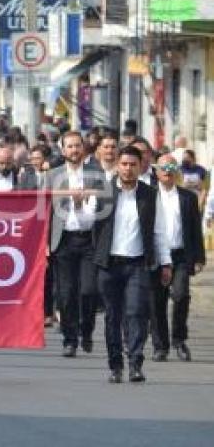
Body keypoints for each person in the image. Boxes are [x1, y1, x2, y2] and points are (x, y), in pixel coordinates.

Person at [93, 145, 165, 384]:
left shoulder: (150, 194)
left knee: (135, 313)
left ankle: (135, 363)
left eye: (133, 164)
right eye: (124, 164)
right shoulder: (103, 192)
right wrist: (80, 202)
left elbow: (159, 232)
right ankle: (115, 365)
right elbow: (88, 223)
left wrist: (165, 263)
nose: (128, 169)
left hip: (137, 264)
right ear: (117, 166)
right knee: (113, 316)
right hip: (109, 265)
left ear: (140, 166)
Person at [46, 131, 102, 357]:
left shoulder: (95, 174)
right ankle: (69, 339)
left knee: (88, 291)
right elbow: (44, 211)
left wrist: (83, 204)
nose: (74, 150)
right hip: (63, 241)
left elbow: (103, 207)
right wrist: (44, 244)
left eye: (78, 146)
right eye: (69, 147)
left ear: (84, 148)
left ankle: (86, 330)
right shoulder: (52, 175)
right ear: (63, 150)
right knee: (66, 293)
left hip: (89, 240)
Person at [150, 153, 205, 362]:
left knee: (181, 296)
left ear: (177, 172)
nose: (168, 172)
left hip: (180, 255)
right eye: (164, 168)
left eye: (172, 168)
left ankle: (179, 340)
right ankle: (160, 345)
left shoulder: (188, 198)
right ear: (157, 172)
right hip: (156, 256)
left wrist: (199, 257)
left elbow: (195, 229)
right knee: (157, 302)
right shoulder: (149, 195)